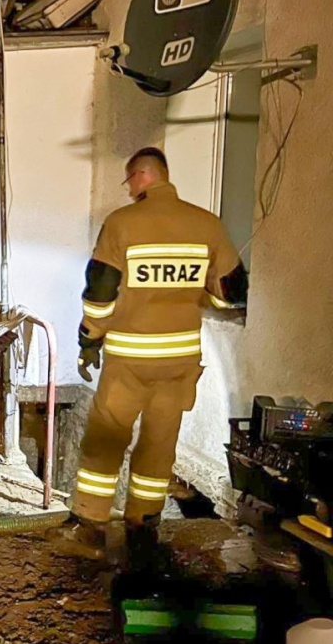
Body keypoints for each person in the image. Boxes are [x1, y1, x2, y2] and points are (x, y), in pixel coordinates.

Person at [54, 147, 248, 561]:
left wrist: (89, 339)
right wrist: (193, 296)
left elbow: (100, 293)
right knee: (160, 443)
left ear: (141, 176)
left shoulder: (122, 224)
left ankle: (90, 524)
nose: (129, 191)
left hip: (129, 359)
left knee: (107, 437)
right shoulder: (207, 224)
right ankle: (143, 525)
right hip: (179, 363)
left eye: (130, 182)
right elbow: (232, 294)